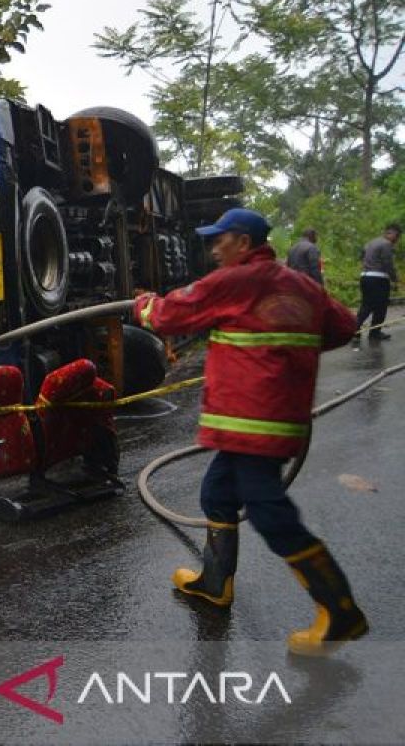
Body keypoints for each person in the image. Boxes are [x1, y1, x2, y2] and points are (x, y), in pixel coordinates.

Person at [135, 208, 366, 656]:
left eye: (219, 240)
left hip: (251, 423)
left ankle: (340, 610)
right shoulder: (300, 286)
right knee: (217, 494)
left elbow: (168, 315)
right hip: (274, 423)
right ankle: (214, 582)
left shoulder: (235, 281)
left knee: (268, 511)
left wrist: (141, 303)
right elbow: (343, 325)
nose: (213, 249)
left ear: (242, 242)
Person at [352, 223, 400, 345]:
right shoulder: (386, 244)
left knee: (366, 305)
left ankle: (355, 330)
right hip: (378, 279)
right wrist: (395, 278)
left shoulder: (370, 243)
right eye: (397, 236)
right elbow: (388, 263)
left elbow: (362, 256)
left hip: (365, 276)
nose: (397, 239)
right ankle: (374, 333)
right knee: (381, 306)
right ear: (391, 233)